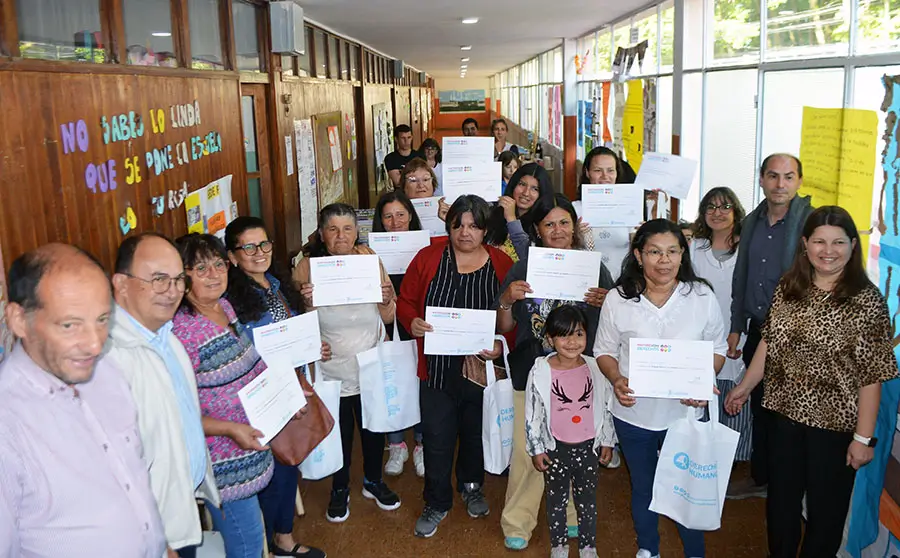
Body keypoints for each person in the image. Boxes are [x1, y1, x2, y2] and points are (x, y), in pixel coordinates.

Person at [725, 206, 897, 557]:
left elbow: (871, 376)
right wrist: (744, 387)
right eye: (819, 241)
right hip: (783, 418)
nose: (828, 251)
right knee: (781, 506)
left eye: (838, 242)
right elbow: (770, 342)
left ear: (853, 245)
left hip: (834, 429)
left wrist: (863, 439)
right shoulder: (790, 286)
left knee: (826, 515)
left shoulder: (866, 302)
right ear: (805, 244)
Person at [0, 244, 167, 558]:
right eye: (70, 325)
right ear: (18, 319)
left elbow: (131, 481)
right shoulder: (7, 424)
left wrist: (159, 544)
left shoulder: (106, 373)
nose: (94, 344)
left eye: (102, 319)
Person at [594, 219, 727, 558]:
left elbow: (718, 349)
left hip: (684, 415)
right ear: (639, 255)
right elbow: (604, 351)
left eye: (672, 251)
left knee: (685, 488)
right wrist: (616, 378)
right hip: (633, 413)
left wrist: (702, 381)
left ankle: (694, 552)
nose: (664, 260)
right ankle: (648, 548)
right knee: (643, 487)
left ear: (683, 254)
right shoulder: (618, 298)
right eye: (654, 252)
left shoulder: (701, 296)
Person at [496, 193, 614, 551]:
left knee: (576, 446)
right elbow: (504, 326)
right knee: (527, 448)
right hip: (532, 372)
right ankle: (518, 520)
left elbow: (614, 324)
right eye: (549, 224)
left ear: (574, 227)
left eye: (564, 222)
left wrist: (608, 302)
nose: (558, 230)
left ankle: (574, 515)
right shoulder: (523, 268)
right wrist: (507, 300)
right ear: (537, 229)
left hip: (580, 375)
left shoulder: (593, 267)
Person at [397, 195, 514, 538]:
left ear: (485, 230)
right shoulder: (428, 257)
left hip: (480, 368)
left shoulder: (501, 263)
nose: (465, 233)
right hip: (436, 368)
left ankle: (471, 485)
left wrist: (501, 344)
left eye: (474, 226)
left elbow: (512, 316)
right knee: (437, 436)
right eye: (458, 225)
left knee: (475, 432)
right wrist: (412, 321)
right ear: (448, 227)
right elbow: (405, 302)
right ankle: (436, 500)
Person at [108, 233, 220, 558]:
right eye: (158, 280)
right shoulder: (109, 357)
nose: (172, 291)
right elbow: (112, 469)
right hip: (152, 532)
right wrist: (156, 540)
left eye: (178, 280)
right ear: (121, 284)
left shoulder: (165, 336)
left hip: (180, 508)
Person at [223, 217, 328, 558]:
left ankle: (282, 537)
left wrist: (313, 346)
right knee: (273, 470)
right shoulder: (230, 300)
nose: (259, 252)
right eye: (248, 247)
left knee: (287, 464)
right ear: (232, 256)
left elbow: (292, 333)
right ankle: (269, 543)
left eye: (264, 244)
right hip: (262, 394)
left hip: (291, 388)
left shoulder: (276, 284)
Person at [293, 203, 401, 523]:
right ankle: (339, 487)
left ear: (357, 232)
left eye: (347, 229)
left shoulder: (370, 260)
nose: (341, 236)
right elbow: (297, 322)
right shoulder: (307, 267)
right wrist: (307, 306)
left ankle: (373, 481)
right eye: (333, 229)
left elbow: (389, 316)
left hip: (368, 360)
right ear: (322, 233)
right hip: (331, 367)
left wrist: (386, 299)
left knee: (372, 428)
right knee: (339, 431)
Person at [172, 233, 275, 558]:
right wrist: (230, 428)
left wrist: (285, 391)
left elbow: (249, 363)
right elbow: (176, 412)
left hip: (250, 445)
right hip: (223, 462)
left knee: (251, 537)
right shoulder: (182, 331)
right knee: (246, 543)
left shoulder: (224, 306)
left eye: (219, 265)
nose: (214, 274)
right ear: (182, 277)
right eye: (201, 268)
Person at [726, 153, 813, 500]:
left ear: (799, 181)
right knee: (761, 408)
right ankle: (761, 478)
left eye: (789, 177)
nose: (780, 184)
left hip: (798, 336)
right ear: (761, 179)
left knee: (789, 414)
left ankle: (787, 486)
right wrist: (736, 324)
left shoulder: (811, 223)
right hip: (759, 329)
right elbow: (742, 276)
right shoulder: (751, 222)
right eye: (773, 176)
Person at [525, 306, 616, 558]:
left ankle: (588, 546)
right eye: (564, 335)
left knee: (587, 500)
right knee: (556, 501)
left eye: (578, 334)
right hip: (556, 449)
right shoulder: (540, 370)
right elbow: (533, 413)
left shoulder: (595, 368)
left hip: (588, 448)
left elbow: (606, 406)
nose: (572, 342)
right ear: (550, 338)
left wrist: (607, 440)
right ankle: (559, 544)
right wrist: (536, 448)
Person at [688, 188, 752, 462]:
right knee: (704, 391)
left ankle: (732, 460)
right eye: (711, 207)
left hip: (739, 332)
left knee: (734, 391)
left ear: (736, 211)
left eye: (725, 207)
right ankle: (703, 459)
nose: (718, 213)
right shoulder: (694, 247)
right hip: (701, 335)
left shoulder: (748, 248)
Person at [372, 190, 426, 477]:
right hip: (387, 323)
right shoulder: (370, 253)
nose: (395, 222)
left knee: (419, 382)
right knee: (391, 380)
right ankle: (396, 444)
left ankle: (421, 444)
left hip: (417, 322)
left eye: (401, 215)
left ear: (411, 216)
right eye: (388, 217)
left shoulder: (425, 247)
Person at [573, 146, 639, 280]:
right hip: (586, 281)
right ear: (587, 173)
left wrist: (642, 234)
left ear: (617, 173)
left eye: (610, 170)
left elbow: (637, 250)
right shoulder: (574, 209)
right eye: (598, 170)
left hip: (622, 283)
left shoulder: (629, 207)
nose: (605, 176)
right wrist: (575, 235)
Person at [487, 162, 554, 263]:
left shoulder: (543, 222)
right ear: (513, 185)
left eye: (534, 189)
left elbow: (528, 259)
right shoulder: (493, 211)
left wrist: (511, 219)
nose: (526, 193)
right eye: (522, 184)